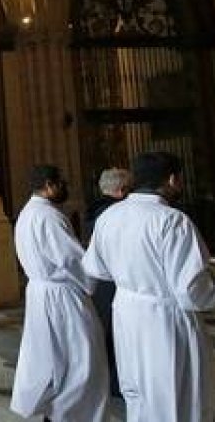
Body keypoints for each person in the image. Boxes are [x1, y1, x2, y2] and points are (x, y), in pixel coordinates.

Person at [83, 151, 215, 422]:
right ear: (172, 179)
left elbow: (96, 268)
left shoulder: (110, 216)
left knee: (140, 397)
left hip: (128, 315)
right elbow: (193, 291)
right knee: (176, 400)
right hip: (165, 323)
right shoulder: (171, 220)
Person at [10, 165, 109, 421]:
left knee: (56, 359)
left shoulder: (28, 213)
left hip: (42, 292)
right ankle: (67, 414)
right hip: (61, 295)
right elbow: (70, 258)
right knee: (81, 360)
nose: (65, 187)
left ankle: (57, 412)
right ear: (48, 185)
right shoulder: (48, 216)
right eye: (61, 182)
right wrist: (92, 277)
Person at [88, 167, 131, 398]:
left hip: (103, 281)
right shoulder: (115, 212)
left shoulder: (95, 211)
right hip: (117, 280)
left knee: (108, 330)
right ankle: (118, 380)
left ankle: (113, 379)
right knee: (118, 334)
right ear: (122, 190)